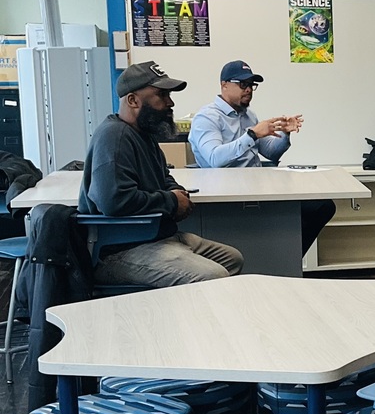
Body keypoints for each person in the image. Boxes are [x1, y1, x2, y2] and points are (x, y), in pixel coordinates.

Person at [79, 60, 244, 287]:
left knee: (232, 259)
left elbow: (163, 176)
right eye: (161, 95)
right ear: (133, 100)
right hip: (121, 249)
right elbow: (115, 201)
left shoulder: (143, 135)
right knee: (214, 276)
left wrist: (175, 191)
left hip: (156, 237)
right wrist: (171, 202)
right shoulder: (114, 138)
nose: (170, 102)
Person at [188, 60, 335, 255]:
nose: (248, 89)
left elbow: (270, 153)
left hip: (256, 186)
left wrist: (285, 133)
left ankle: (287, 257)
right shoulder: (207, 118)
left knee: (323, 206)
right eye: (243, 84)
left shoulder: (249, 115)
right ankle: (282, 257)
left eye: (251, 85)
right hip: (227, 193)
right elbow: (214, 158)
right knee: (313, 208)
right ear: (224, 85)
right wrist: (252, 135)